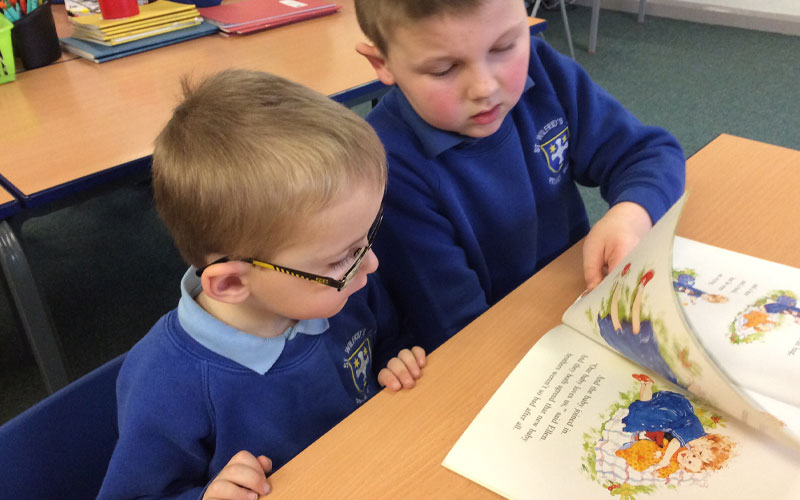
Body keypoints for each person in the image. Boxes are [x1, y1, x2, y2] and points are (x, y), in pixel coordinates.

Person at [98, 69, 427, 500]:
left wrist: (392, 361)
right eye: (341, 257)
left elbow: (385, 339)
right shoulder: (167, 381)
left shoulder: (342, 291)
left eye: (368, 237)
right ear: (233, 283)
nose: (370, 264)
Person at [353, 0, 686, 351]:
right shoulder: (385, 166)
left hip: (575, 302)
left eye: (504, 47)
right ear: (382, 64)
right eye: (443, 69)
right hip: (506, 348)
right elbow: (461, 332)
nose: (483, 88)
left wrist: (631, 215)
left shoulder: (543, 71)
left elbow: (650, 153)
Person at [617, 374, 734, 477]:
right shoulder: (696, 432)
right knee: (645, 411)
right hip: (671, 413)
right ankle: (647, 384)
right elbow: (675, 442)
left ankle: (646, 383)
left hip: (671, 419)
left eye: (698, 456)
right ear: (709, 440)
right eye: (701, 452)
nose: (696, 452)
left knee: (645, 405)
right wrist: (666, 459)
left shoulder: (693, 442)